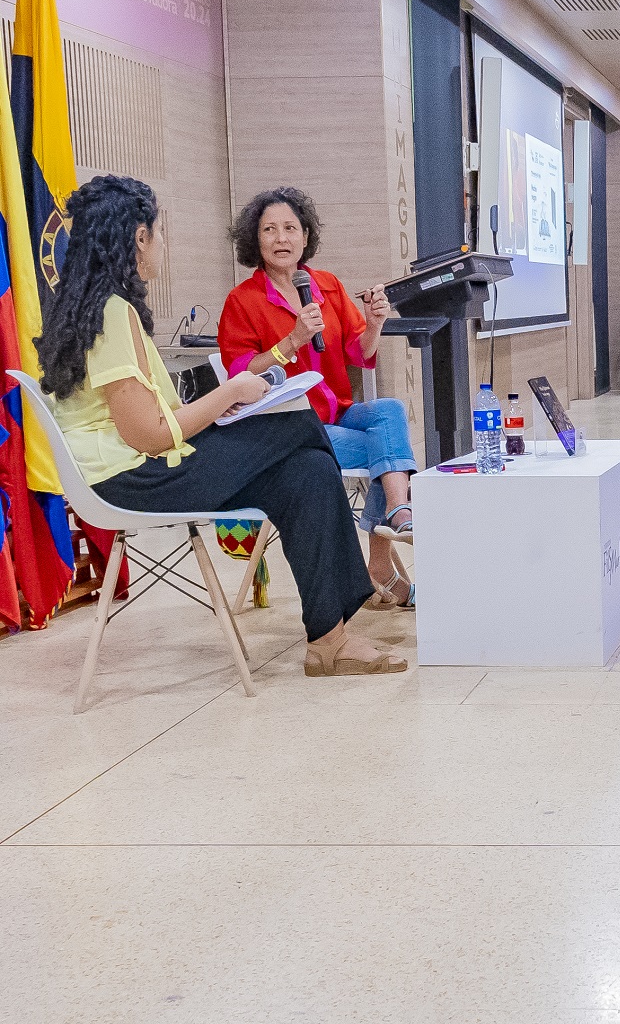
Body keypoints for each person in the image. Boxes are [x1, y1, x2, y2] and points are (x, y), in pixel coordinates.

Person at [34, 175, 404, 676]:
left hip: (143, 466)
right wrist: (229, 394)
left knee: (309, 474)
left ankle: (329, 641)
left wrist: (222, 405)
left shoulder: (99, 306)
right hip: (130, 478)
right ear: (138, 238)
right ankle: (362, 588)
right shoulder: (113, 314)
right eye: (159, 232)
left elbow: (152, 420)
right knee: (300, 426)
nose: (163, 243)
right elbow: (147, 436)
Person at [218, 187, 419, 609]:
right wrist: (291, 341)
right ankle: (386, 549)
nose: (281, 238)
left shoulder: (325, 285)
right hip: (287, 427)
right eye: (269, 230)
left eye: (290, 228)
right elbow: (240, 374)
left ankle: (396, 515)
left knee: (389, 411)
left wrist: (375, 324)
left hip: (334, 410)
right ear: (255, 239)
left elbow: (359, 354)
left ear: (306, 236)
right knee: (385, 451)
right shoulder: (243, 300)